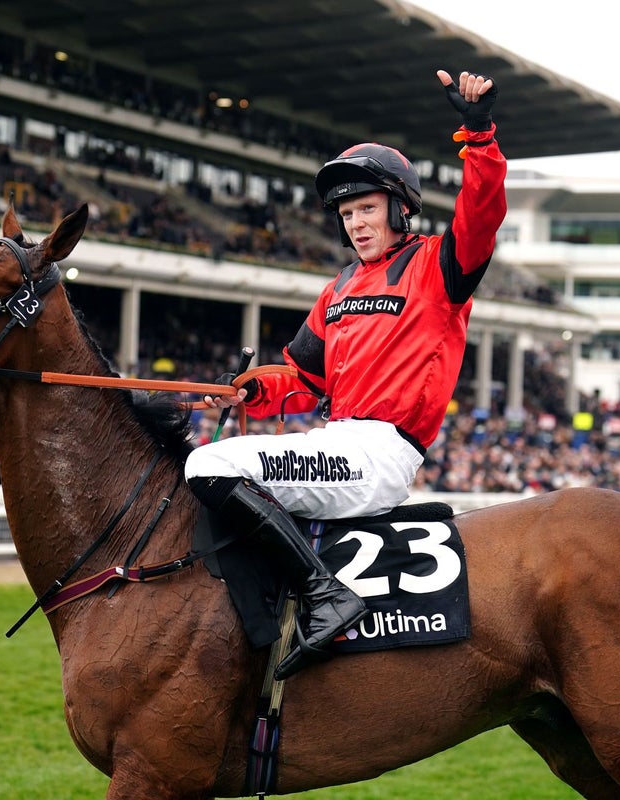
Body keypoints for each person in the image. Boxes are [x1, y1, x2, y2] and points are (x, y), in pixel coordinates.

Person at [184, 69, 506, 679]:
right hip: (336, 441)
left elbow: (483, 212)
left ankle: (326, 595)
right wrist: (256, 387)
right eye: (347, 213)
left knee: (209, 464)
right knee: (213, 464)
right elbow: (304, 379)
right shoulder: (338, 290)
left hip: (381, 451)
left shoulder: (439, 266)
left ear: (400, 209)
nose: (356, 223)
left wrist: (480, 132)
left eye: (367, 208)